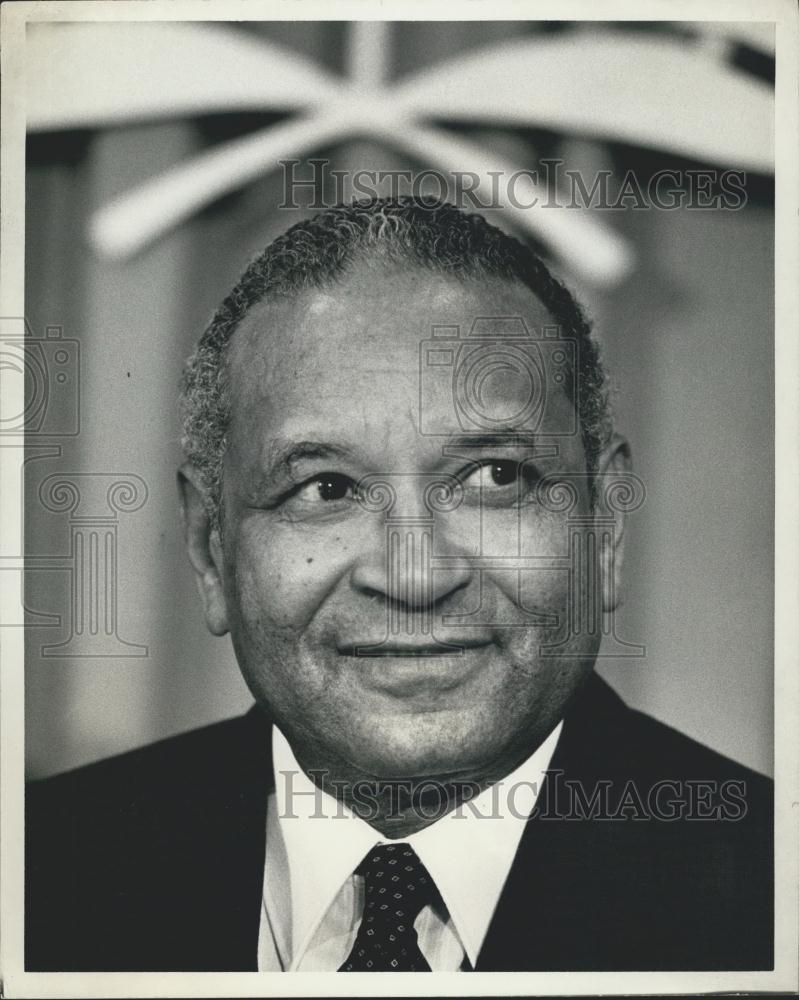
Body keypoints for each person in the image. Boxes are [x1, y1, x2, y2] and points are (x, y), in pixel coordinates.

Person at [26, 198, 772, 972]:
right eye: (325, 488)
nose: (414, 578)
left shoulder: (771, 892)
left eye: (495, 477)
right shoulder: (35, 875)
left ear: (605, 524)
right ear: (211, 547)